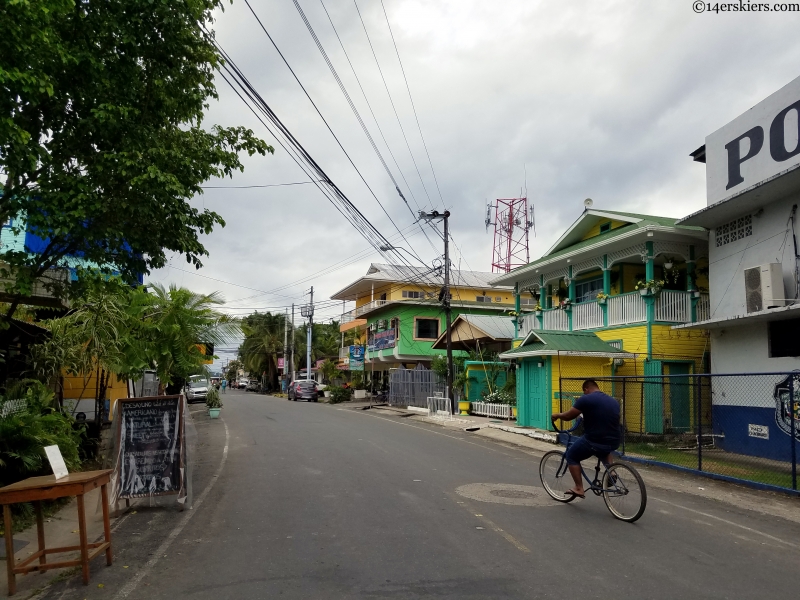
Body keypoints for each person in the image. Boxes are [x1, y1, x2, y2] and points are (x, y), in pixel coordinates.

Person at [551, 379, 621, 499]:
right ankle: (612, 472)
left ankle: (579, 488)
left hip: (594, 440)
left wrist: (557, 415)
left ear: (586, 390)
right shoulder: (612, 401)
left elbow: (568, 416)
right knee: (604, 450)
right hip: (614, 440)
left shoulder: (586, 399)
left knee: (571, 455)